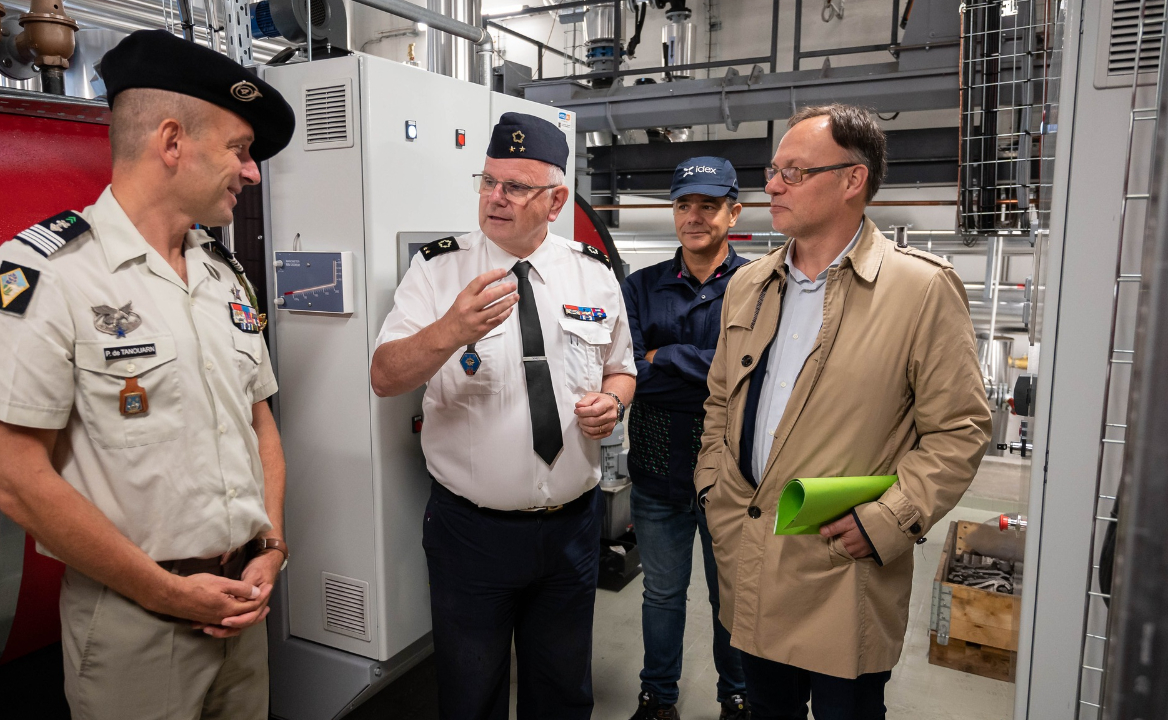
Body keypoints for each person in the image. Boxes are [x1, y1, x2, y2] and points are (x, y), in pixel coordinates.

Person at [0, 30, 295, 720]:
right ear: (172, 141)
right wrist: (169, 593)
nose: (252, 172)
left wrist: (270, 545)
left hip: (243, 605)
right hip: (134, 624)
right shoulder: (45, 275)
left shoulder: (222, 273)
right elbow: (20, 481)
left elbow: (259, 422)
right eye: (240, 150)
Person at [695, 104, 992, 719]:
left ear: (853, 179)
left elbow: (960, 429)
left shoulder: (919, 289)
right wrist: (713, 490)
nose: (771, 185)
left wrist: (890, 518)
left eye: (794, 172)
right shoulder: (750, 284)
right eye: (773, 170)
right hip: (753, 558)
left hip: (843, 568)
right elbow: (722, 401)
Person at [370, 112, 636, 720]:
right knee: (471, 695)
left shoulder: (592, 275)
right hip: (472, 535)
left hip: (572, 532)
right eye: (487, 181)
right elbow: (385, 376)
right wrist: (449, 331)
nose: (495, 197)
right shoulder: (437, 271)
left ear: (555, 200)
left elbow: (623, 366)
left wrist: (613, 402)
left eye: (515, 187)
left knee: (563, 692)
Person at [621, 157, 749, 720]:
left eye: (708, 204)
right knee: (662, 596)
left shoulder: (758, 287)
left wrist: (664, 355)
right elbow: (627, 371)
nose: (693, 216)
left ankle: (737, 696)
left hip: (731, 474)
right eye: (683, 204)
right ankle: (658, 697)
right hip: (656, 467)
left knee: (734, 599)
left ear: (733, 212)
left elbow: (753, 374)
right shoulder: (640, 286)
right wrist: (711, 369)